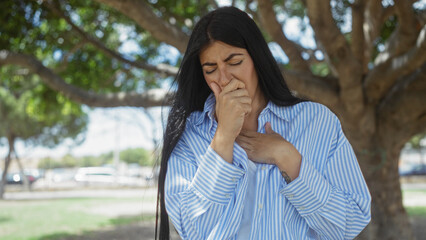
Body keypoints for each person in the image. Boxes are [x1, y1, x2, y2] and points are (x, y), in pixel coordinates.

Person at [156, 6, 371, 240]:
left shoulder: (317, 121)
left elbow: (350, 224)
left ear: (257, 59)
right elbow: (191, 230)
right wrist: (224, 138)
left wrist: (287, 158)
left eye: (235, 62)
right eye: (211, 69)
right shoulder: (189, 134)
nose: (224, 78)